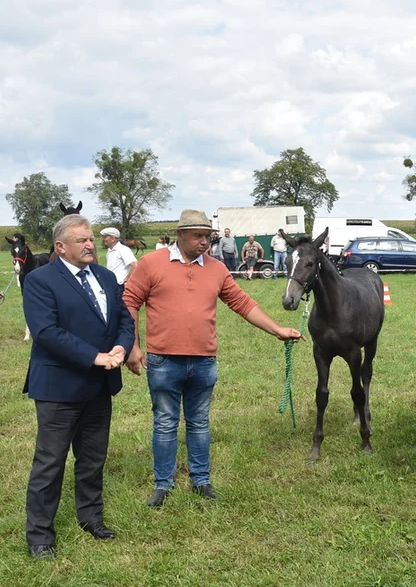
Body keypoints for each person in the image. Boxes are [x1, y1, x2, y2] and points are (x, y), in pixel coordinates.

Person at [123, 209, 301, 507]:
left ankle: (201, 480)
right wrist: (132, 346)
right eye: (198, 236)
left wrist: (277, 330)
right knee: (165, 423)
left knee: (199, 422)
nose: (205, 242)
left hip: (204, 361)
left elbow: (242, 303)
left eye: (208, 236)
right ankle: (163, 484)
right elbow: (130, 301)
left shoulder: (217, 269)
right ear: (180, 235)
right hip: (164, 360)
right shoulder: (150, 263)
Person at [22, 215, 135, 559]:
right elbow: (46, 332)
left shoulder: (105, 276)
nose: (90, 245)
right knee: (50, 462)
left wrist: (121, 346)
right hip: (59, 387)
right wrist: (94, 357)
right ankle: (40, 535)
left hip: (99, 387)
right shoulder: (40, 280)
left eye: (91, 239)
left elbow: (124, 318)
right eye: (82, 240)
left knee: (92, 458)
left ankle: (91, 517)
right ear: (61, 247)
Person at [99, 227, 137, 295]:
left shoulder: (123, 250)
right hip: (111, 284)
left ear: (113, 239)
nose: (103, 239)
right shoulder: (109, 251)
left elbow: (135, 265)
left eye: (105, 237)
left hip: (120, 286)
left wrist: (126, 280)